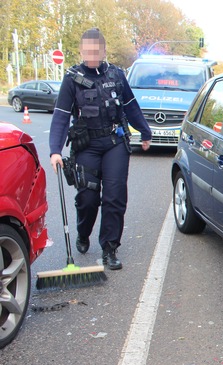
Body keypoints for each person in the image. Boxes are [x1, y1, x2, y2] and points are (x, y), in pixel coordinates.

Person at [49, 28, 152, 270]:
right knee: (88, 197)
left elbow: (130, 106)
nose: (92, 54)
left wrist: (145, 132)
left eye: (96, 50)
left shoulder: (116, 75)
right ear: (81, 51)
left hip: (115, 142)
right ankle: (83, 232)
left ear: (104, 51)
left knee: (115, 197)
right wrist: (55, 150)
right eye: (87, 50)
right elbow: (62, 116)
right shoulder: (72, 78)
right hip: (87, 146)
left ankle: (109, 248)